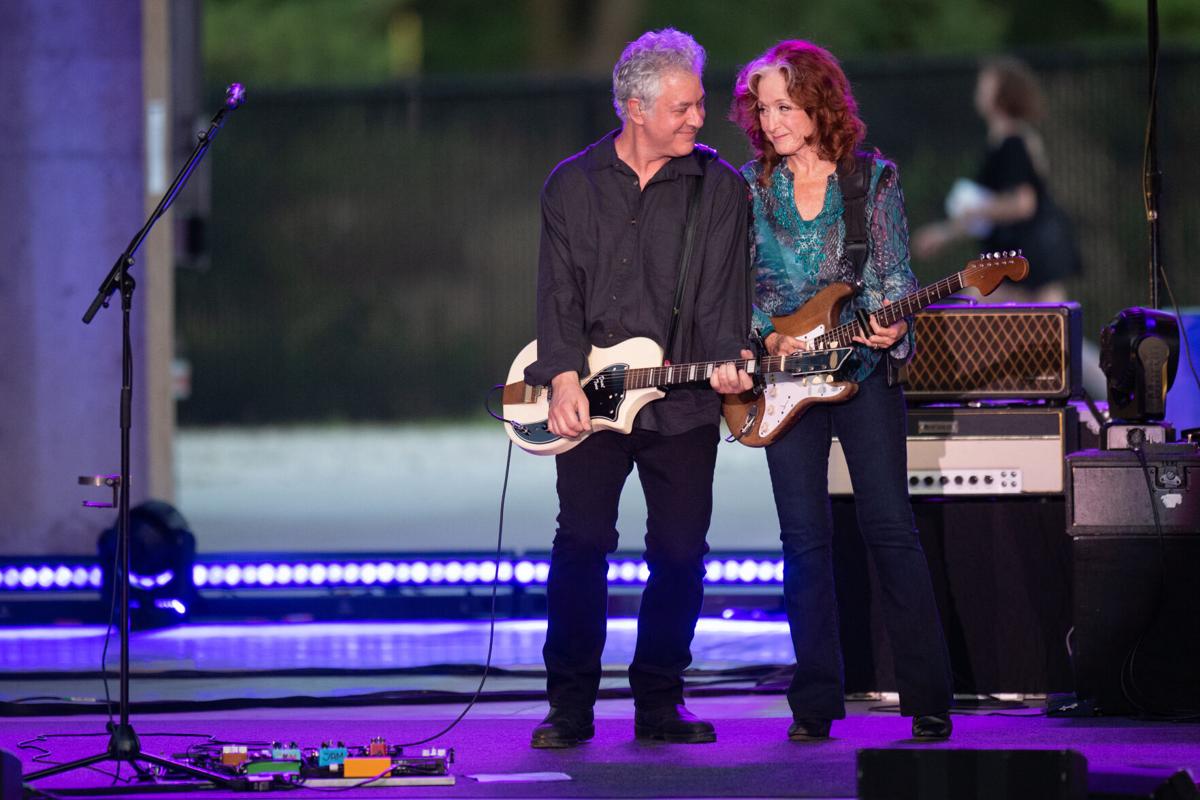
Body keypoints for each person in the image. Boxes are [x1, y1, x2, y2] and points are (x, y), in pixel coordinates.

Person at [523, 28, 753, 749]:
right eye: (682, 108)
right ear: (635, 107)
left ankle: (659, 701)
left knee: (681, 552)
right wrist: (561, 376)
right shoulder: (572, 184)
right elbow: (556, 295)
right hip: (587, 398)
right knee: (583, 541)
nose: (697, 119)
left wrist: (727, 364)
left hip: (682, 404)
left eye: (699, 104)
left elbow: (724, 297)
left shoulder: (721, 189)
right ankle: (569, 706)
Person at [728, 40, 954, 741]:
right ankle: (816, 703)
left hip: (862, 374)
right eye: (762, 109)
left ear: (820, 104)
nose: (771, 122)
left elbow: (893, 273)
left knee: (890, 530)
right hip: (782, 384)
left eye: (784, 107)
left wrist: (889, 323)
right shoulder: (749, 188)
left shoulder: (872, 181)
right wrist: (767, 336)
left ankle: (928, 699)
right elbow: (736, 288)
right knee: (804, 541)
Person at [912, 56, 1082, 303]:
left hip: (1026, 259)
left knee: (976, 317)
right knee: (1041, 328)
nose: (979, 91)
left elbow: (1023, 204)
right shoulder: (1007, 140)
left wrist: (967, 216)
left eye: (986, 85)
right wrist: (945, 233)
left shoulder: (1013, 142)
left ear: (1003, 93)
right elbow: (992, 210)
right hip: (1015, 256)